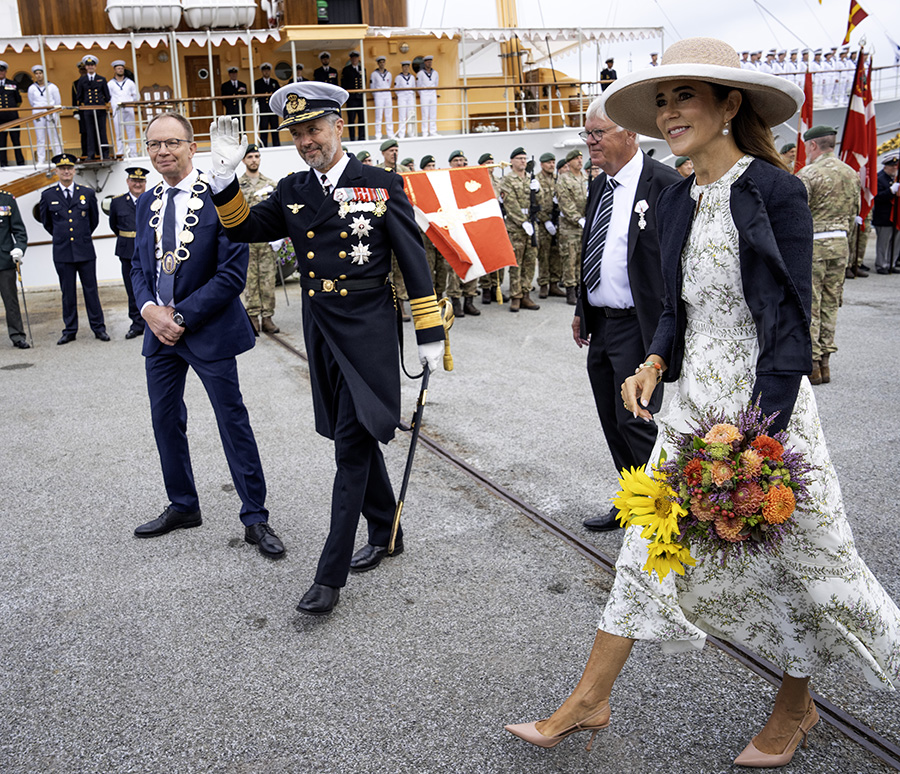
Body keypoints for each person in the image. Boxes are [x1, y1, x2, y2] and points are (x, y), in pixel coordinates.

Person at [505, 37, 900, 768]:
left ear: (729, 104)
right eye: (662, 101)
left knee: (810, 561)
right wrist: (655, 361)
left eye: (684, 96)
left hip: (766, 411)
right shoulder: (678, 194)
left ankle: (795, 706)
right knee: (644, 548)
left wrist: (758, 437)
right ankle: (590, 698)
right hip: (692, 410)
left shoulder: (777, 191)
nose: (669, 112)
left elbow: (791, 326)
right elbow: (675, 308)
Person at [207, 82, 444, 616]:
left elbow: (412, 258)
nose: (306, 141)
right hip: (322, 330)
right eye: (297, 134)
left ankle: (328, 577)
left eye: (314, 129)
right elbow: (245, 227)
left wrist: (429, 330)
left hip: (368, 330)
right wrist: (223, 178)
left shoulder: (380, 184)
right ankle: (386, 531)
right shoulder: (293, 188)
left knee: (351, 448)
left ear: (339, 126)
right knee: (350, 430)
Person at [129, 111, 284, 560]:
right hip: (159, 331)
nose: (162, 151)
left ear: (191, 147)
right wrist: (149, 311)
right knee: (165, 420)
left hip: (206, 329)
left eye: (172, 143)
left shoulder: (218, 195)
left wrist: (179, 317)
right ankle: (183, 505)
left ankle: (255, 516)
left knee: (231, 421)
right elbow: (138, 266)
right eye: (154, 144)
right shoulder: (147, 200)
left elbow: (232, 275)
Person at [571, 107, 679, 532]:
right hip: (603, 322)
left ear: (630, 132)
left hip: (640, 323)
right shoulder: (600, 184)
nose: (590, 141)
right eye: (587, 134)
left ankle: (665, 514)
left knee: (636, 420)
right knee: (611, 419)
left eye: (598, 132)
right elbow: (594, 247)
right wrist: (582, 309)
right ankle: (634, 501)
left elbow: (675, 264)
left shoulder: (665, 184)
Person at [796, 125, 860, 385]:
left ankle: (812, 364)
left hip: (814, 246)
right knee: (832, 303)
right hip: (841, 244)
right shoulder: (851, 173)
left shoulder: (808, 173)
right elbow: (855, 215)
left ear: (812, 145)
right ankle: (825, 363)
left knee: (811, 303)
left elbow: (797, 215)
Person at [39, 153, 109, 344]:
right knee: (67, 293)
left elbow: (93, 221)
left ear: (74, 170)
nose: (66, 171)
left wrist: (81, 236)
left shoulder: (87, 193)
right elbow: (47, 223)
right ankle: (70, 330)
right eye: (62, 169)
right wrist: (63, 237)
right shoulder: (48, 195)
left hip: (84, 250)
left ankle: (99, 328)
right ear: (56, 171)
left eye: (69, 168)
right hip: (63, 252)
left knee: (91, 291)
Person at [238, 144, 280, 334]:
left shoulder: (271, 184)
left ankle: (268, 317)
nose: (254, 160)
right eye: (250, 157)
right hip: (246, 241)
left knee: (268, 279)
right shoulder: (237, 186)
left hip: (266, 240)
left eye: (256, 156)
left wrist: (279, 236)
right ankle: (253, 317)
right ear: (243, 160)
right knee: (250, 280)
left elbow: (278, 212)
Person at [107, 166, 149, 339]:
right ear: (128, 182)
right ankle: (137, 324)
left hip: (150, 250)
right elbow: (114, 225)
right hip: (127, 251)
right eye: (134, 181)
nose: (137, 184)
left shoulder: (153, 198)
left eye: (141, 181)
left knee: (153, 286)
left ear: (145, 183)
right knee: (132, 288)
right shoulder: (117, 202)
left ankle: (153, 322)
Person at [499, 147, 541, 312]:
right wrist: (522, 222)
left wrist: (538, 190)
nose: (523, 161)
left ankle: (526, 294)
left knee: (530, 262)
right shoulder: (507, 180)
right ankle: (515, 296)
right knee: (516, 263)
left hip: (532, 224)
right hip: (516, 227)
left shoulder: (531, 179)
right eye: (519, 158)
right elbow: (510, 203)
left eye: (524, 158)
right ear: (512, 161)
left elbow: (540, 202)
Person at [444, 150, 480, 317]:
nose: (459, 163)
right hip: (453, 228)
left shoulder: (470, 180)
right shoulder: (445, 181)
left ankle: (469, 300)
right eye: (456, 160)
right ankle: (456, 300)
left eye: (462, 160)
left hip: (470, 226)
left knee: (473, 263)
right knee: (455, 266)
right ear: (450, 163)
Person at [556, 148, 589, 307]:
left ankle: (579, 288)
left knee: (581, 258)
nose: (580, 161)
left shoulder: (585, 178)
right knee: (569, 258)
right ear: (569, 162)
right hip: (570, 227)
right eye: (576, 159)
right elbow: (565, 202)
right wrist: (578, 218)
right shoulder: (563, 179)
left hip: (585, 224)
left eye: (581, 158)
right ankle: (570, 290)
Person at [0, 188, 29, 348]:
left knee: (11, 301)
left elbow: (19, 231)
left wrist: (19, 248)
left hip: (3, 261)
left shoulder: (6, 199)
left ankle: (17, 335)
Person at [536, 152, 565, 299]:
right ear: (542, 164)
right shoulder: (536, 180)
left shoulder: (558, 178)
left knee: (556, 254)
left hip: (557, 220)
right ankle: (543, 284)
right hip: (543, 223)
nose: (551, 165)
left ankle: (554, 283)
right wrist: (545, 220)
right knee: (544, 254)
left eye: (553, 162)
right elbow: (535, 203)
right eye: (548, 163)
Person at [75, 55, 111, 160]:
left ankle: (105, 153)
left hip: (100, 109)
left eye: (92, 65)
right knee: (90, 132)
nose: (90, 67)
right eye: (88, 65)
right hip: (88, 110)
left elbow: (107, 96)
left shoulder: (101, 79)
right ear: (86, 67)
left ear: (95, 66)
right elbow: (79, 96)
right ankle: (90, 154)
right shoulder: (82, 80)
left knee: (102, 131)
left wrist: (101, 103)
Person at [27, 65, 63, 165]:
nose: (38, 75)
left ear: (44, 74)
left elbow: (57, 101)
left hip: (51, 113)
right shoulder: (32, 88)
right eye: (36, 74)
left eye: (40, 73)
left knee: (53, 136)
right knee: (40, 138)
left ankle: (58, 157)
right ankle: (41, 160)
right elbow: (31, 102)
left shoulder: (52, 87)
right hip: (38, 114)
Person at [873, 154, 900, 274]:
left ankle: (891, 263)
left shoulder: (896, 178)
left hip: (896, 216)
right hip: (884, 216)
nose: (894, 168)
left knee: (896, 242)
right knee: (883, 243)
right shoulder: (879, 178)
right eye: (892, 166)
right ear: (885, 166)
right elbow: (877, 197)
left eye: (896, 165)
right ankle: (881, 265)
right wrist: (890, 191)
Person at [109, 60, 138, 157]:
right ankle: (120, 152)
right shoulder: (110, 84)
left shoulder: (130, 83)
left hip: (128, 109)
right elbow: (108, 97)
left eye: (121, 68)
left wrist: (130, 102)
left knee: (131, 131)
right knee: (118, 132)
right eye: (118, 68)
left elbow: (135, 96)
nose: (120, 70)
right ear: (115, 70)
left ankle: (133, 152)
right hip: (117, 110)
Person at [0, 61, 24, 166]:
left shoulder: (12, 84)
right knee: (1, 142)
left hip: (12, 117)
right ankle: (3, 163)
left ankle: (20, 162)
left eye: (2, 70)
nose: (1, 73)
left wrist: (12, 109)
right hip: (0, 118)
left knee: (16, 140)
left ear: (5, 72)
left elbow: (18, 100)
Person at [339, 51, 365, 142]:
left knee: (362, 119)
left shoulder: (362, 69)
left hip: (360, 98)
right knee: (351, 119)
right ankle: (352, 138)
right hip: (352, 98)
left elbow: (364, 81)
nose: (354, 60)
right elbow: (344, 83)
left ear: (358, 59)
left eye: (356, 58)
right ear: (351, 59)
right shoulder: (346, 70)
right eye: (353, 58)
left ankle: (362, 137)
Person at [253, 63, 281, 147]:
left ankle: (276, 145)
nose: (266, 72)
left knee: (275, 128)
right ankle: (263, 146)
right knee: (263, 128)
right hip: (263, 109)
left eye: (268, 70)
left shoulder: (274, 82)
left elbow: (278, 94)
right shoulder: (257, 83)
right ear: (262, 72)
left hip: (273, 109)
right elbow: (255, 96)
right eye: (264, 70)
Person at [370, 56, 393, 141]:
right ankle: (378, 135)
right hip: (379, 95)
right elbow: (372, 86)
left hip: (387, 94)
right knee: (378, 115)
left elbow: (389, 84)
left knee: (389, 114)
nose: (382, 64)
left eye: (383, 62)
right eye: (380, 62)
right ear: (378, 64)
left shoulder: (389, 74)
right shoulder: (374, 74)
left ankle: (390, 134)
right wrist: (376, 95)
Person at [417, 55, 439, 137]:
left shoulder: (435, 73)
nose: (429, 63)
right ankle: (425, 132)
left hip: (432, 94)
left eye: (430, 62)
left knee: (433, 113)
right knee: (425, 114)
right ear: (425, 63)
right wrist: (422, 93)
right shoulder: (420, 74)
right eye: (428, 62)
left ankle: (433, 131)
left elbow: (436, 84)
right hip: (424, 94)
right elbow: (418, 85)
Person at [221, 67, 248, 132]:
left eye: (235, 73)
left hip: (240, 109)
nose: (234, 75)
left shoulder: (242, 85)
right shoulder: (225, 86)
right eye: (232, 73)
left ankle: (242, 138)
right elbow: (223, 99)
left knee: (242, 128)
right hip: (230, 110)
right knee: (230, 128)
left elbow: (245, 98)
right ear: (229, 74)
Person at [394, 61, 417, 138]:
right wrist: (400, 95)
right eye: (404, 67)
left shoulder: (412, 77)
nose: (406, 68)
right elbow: (396, 88)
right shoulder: (398, 77)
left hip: (410, 97)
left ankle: (411, 133)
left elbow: (414, 87)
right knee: (402, 116)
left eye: (407, 67)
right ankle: (401, 134)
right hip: (402, 96)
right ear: (402, 67)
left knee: (411, 115)